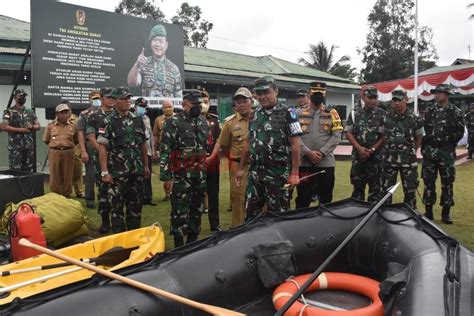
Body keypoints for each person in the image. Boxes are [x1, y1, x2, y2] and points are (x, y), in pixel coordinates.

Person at [235, 76, 302, 221]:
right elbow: (249, 142)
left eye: (266, 92)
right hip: (256, 176)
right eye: (259, 94)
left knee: (278, 218)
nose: (262, 97)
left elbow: (295, 144)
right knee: (251, 217)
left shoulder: (288, 112)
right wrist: (241, 168)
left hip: (277, 176)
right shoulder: (254, 114)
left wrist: (295, 173)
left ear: (276, 91)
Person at [159, 90, 209, 247]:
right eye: (193, 105)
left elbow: (205, 147)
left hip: (199, 176)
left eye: (198, 105)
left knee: (197, 209)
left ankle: (192, 242)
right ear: (184, 105)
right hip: (181, 176)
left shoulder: (203, 122)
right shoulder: (173, 122)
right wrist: (166, 175)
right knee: (179, 211)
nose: (196, 107)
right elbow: (165, 149)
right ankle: (179, 244)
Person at [98, 87, 149, 233]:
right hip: (117, 173)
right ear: (115, 101)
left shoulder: (138, 120)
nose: (127, 101)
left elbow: (143, 144)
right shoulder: (107, 121)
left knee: (135, 208)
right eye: (123, 98)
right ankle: (119, 242)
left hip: (136, 171)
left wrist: (145, 166)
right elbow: (102, 147)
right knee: (116, 208)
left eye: (129, 98)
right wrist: (104, 172)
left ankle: (134, 239)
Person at [208, 87, 253, 227]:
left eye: (244, 101)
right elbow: (225, 146)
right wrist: (236, 161)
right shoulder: (229, 123)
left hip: (258, 166)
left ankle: (257, 229)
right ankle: (238, 229)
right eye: (238, 102)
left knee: (258, 199)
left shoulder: (259, 118)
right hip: (238, 166)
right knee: (238, 200)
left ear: (251, 101)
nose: (241, 104)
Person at [422, 84, 465, 224]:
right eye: (435, 93)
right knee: (428, 182)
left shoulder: (456, 112)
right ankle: (428, 212)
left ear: (446, 94)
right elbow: (424, 131)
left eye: (440, 93)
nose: (436, 95)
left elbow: (460, 131)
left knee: (447, 183)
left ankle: (446, 213)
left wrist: (449, 144)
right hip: (430, 151)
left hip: (446, 152)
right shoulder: (428, 111)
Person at [295, 82, 343, 208]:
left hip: (325, 163)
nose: (318, 96)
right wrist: (307, 152)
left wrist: (321, 152)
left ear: (324, 94)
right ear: (310, 93)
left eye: (320, 94)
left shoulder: (332, 113)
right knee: (303, 197)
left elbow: (337, 136)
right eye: (315, 93)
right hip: (304, 163)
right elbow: (294, 136)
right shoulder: (298, 113)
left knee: (326, 198)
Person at [382, 90, 424, 209]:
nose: (396, 103)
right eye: (394, 100)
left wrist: (412, 152)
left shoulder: (415, 118)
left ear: (406, 99)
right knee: (386, 191)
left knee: (410, 191)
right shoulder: (386, 117)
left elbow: (418, 137)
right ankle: (385, 214)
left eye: (399, 100)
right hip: (389, 161)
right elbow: (382, 135)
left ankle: (410, 216)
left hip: (408, 162)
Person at [344, 86, 385, 202]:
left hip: (376, 158)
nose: (373, 100)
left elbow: (384, 136)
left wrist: (372, 150)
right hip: (358, 157)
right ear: (363, 97)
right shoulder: (354, 113)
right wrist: (360, 149)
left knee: (375, 188)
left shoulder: (383, 114)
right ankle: (358, 216)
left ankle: (373, 216)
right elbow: (348, 132)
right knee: (357, 187)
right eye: (370, 97)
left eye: (375, 97)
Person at [86, 87, 115, 233]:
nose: (112, 100)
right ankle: (105, 221)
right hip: (101, 159)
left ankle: (118, 220)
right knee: (103, 191)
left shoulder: (119, 114)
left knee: (117, 190)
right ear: (102, 98)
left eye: (113, 97)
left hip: (118, 160)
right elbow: (91, 137)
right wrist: (102, 149)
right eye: (109, 97)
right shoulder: (94, 116)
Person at [127, 24, 183, 98]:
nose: (157, 44)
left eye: (160, 41)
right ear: (150, 43)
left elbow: (179, 96)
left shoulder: (174, 69)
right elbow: (132, 83)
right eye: (155, 40)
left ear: (166, 45)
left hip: (167, 109)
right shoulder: (144, 63)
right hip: (148, 108)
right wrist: (137, 65)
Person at [42, 103, 78, 197]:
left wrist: (67, 146)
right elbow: (46, 140)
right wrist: (56, 146)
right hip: (55, 152)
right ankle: (55, 195)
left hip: (68, 152)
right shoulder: (50, 126)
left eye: (66, 112)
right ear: (57, 114)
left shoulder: (73, 126)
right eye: (62, 113)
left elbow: (77, 140)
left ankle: (66, 194)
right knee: (55, 174)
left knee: (68, 174)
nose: (65, 114)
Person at [2, 89, 40, 172]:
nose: (23, 98)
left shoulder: (30, 112)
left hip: (29, 148)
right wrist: (21, 130)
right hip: (16, 149)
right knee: (15, 173)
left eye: (24, 96)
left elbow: (38, 126)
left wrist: (32, 127)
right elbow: (4, 127)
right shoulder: (9, 112)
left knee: (28, 173)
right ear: (15, 98)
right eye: (20, 96)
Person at [200, 90, 221, 231]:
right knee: (196, 195)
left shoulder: (214, 119)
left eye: (206, 101)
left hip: (212, 164)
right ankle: (195, 225)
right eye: (201, 101)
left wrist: (212, 156)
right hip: (195, 165)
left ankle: (215, 225)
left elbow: (219, 140)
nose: (203, 103)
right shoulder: (190, 119)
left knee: (213, 195)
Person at [77, 90, 101, 208]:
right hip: (89, 145)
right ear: (89, 99)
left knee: (104, 170)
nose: (96, 100)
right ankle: (90, 199)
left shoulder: (106, 112)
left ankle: (104, 197)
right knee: (90, 172)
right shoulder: (84, 114)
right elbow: (80, 133)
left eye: (98, 98)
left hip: (103, 142)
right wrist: (83, 150)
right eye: (94, 98)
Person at [135, 97, 156, 206]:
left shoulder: (146, 119)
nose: (142, 109)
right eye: (140, 107)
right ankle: (138, 197)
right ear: (135, 106)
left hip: (147, 151)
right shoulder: (131, 118)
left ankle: (148, 197)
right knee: (137, 176)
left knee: (147, 174)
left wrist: (152, 150)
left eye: (144, 107)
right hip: (136, 152)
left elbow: (151, 135)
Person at [153, 99, 175, 200]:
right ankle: (167, 194)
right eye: (166, 107)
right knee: (165, 173)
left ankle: (175, 192)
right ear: (162, 109)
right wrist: (155, 149)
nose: (168, 109)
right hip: (164, 151)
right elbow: (156, 135)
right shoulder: (158, 120)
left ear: (173, 107)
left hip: (176, 149)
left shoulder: (178, 118)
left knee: (177, 172)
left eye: (169, 106)